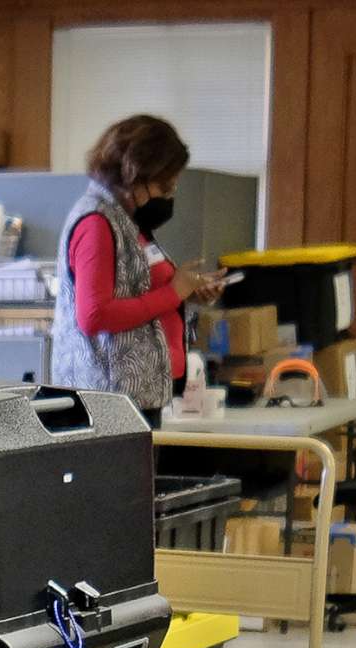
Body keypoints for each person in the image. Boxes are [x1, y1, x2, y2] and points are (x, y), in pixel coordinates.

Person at [52, 115, 225, 425]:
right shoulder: (97, 222)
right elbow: (94, 316)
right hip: (108, 403)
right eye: (164, 184)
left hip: (138, 397)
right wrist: (174, 293)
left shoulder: (127, 220)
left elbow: (138, 290)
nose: (168, 194)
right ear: (135, 174)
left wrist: (189, 292)